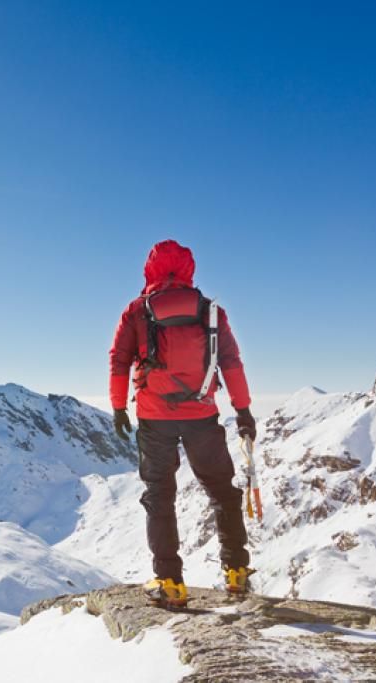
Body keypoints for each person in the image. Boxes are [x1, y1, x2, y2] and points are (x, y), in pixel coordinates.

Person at [108, 239, 256, 608]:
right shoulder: (210, 311)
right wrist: (243, 409)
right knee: (222, 490)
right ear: (189, 269)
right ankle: (236, 573)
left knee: (160, 496)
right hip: (202, 414)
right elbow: (231, 362)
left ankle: (170, 582)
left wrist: (117, 406)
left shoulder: (136, 311)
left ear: (149, 270)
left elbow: (119, 361)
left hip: (154, 417)